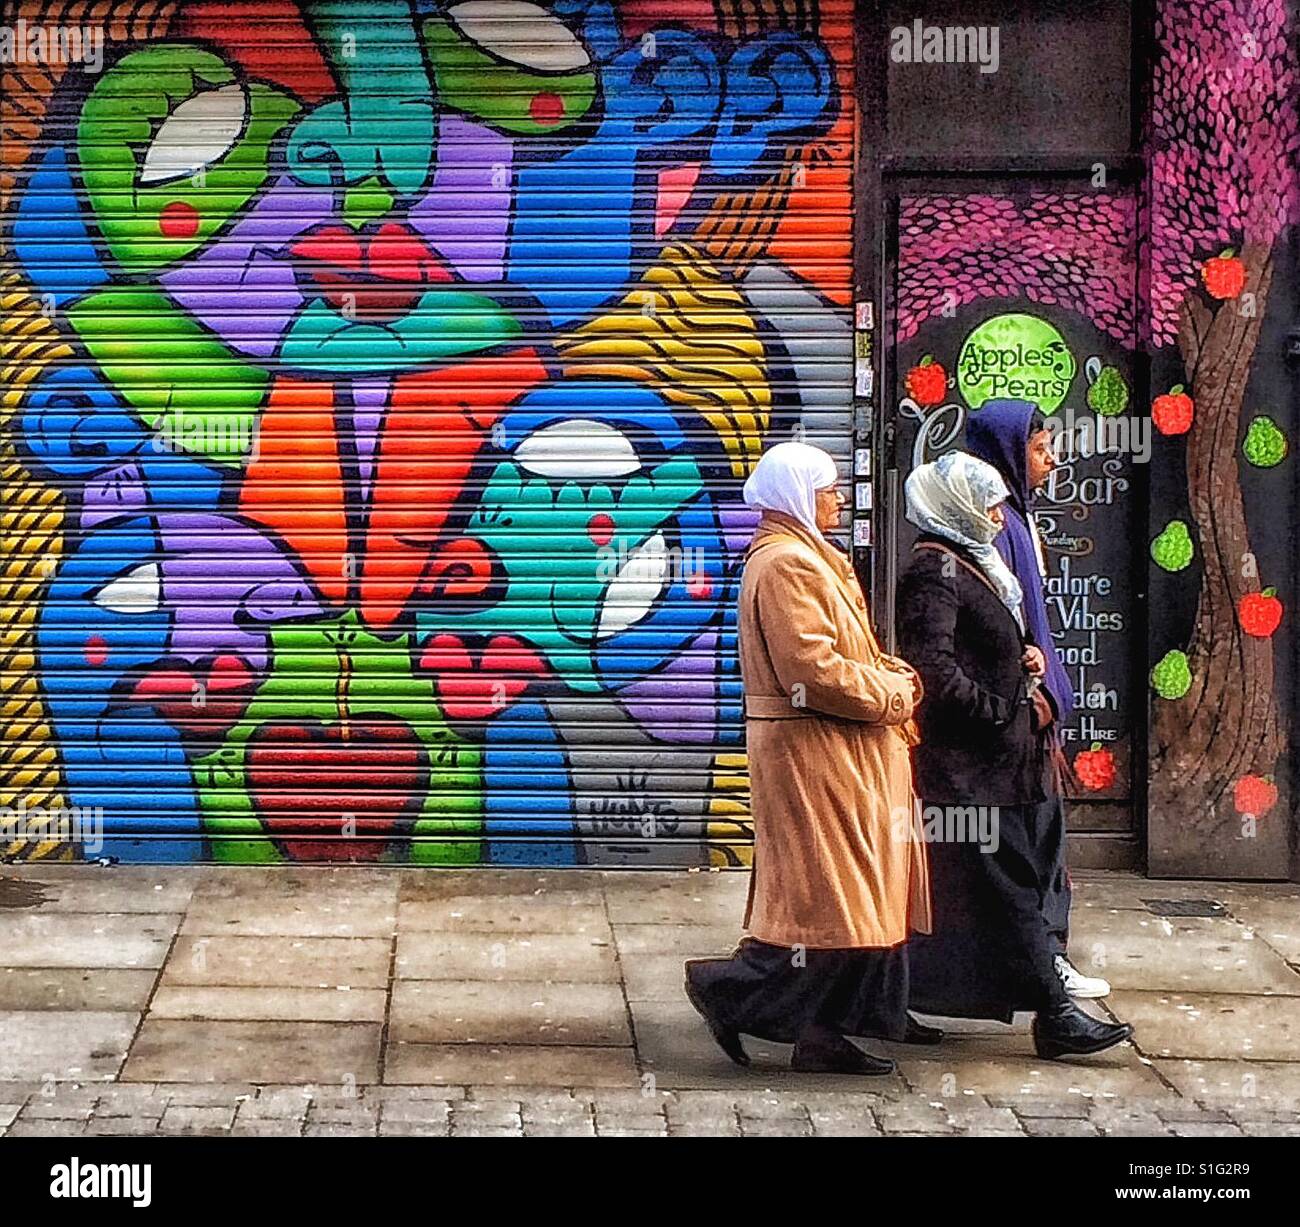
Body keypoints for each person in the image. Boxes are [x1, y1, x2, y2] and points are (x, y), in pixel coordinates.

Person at [684, 441, 936, 1075]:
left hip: (837, 753)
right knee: (830, 898)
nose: (840, 499)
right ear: (798, 493)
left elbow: (843, 651)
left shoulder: (803, 557)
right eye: (828, 488)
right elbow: (813, 670)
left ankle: (822, 1033)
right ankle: (730, 990)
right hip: (818, 754)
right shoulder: (788, 566)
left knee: (841, 900)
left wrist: (885, 673)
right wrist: (891, 695)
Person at [896, 451, 1132, 1059]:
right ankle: (1057, 1016)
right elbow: (934, 673)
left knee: (986, 890)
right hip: (971, 773)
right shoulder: (934, 572)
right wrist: (1005, 709)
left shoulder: (974, 565)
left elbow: (982, 645)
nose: (1002, 517)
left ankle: (885, 999)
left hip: (1000, 769)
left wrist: (1024, 656)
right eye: (992, 504)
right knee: (1011, 892)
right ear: (959, 506)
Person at [966, 399, 1109, 999]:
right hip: (1021, 719)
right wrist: (1033, 694)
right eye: (1040, 449)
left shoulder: (1018, 523)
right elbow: (1004, 629)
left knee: (1042, 845)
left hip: (1036, 713)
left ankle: (1046, 962)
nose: (1050, 462)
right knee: (1032, 849)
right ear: (1005, 452)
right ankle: (1046, 967)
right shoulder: (994, 530)